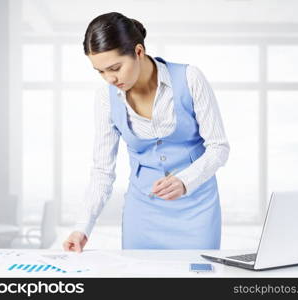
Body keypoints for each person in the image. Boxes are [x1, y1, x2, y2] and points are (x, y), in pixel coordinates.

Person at [63, 12, 230, 252]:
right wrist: (82, 227)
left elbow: (219, 148)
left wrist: (185, 181)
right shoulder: (105, 98)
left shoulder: (190, 78)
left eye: (115, 67)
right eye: (100, 71)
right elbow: (102, 170)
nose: (109, 78)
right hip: (142, 213)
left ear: (139, 52)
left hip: (197, 210)